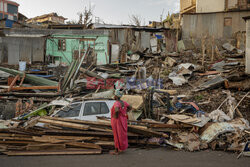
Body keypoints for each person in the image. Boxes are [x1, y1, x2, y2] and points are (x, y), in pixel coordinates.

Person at [110, 89, 132, 155]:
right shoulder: (123, 102)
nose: (114, 96)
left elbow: (116, 110)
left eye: (114, 95)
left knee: (116, 135)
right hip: (123, 119)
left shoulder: (116, 103)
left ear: (116, 96)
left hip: (117, 120)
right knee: (122, 134)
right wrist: (124, 112)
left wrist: (115, 116)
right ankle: (121, 148)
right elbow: (130, 107)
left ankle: (117, 150)